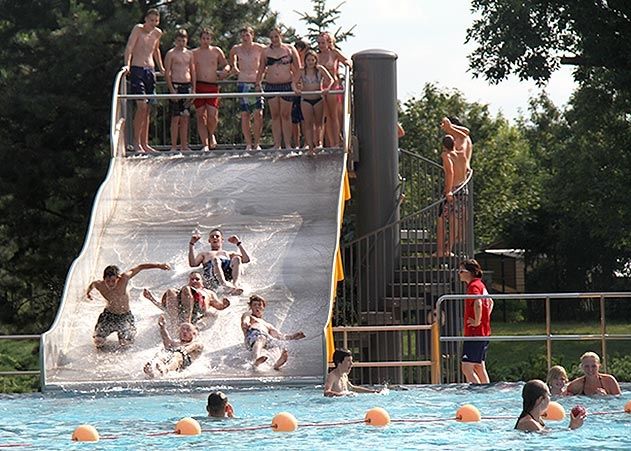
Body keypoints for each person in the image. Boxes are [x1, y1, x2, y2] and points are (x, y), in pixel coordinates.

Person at [86, 262, 171, 349]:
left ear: (118, 278)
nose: (110, 284)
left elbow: (140, 267)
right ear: (104, 279)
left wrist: (158, 265)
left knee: (125, 344)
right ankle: (103, 338)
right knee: (98, 342)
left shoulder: (124, 278)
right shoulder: (99, 285)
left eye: (113, 281)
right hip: (109, 315)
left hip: (125, 316)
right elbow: (92, 285)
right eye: (108, 281)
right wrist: (88, 293)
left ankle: (124, 337)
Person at [123, 8, 165, 153]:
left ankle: (144, 143)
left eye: (156, 21)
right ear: (146, 19)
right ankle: (136, 142)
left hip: (150, 71)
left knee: (147, 109)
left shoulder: (157, 33)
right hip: (137, 68)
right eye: (151, 20)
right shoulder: (138, 29)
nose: (153, 23)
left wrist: (162, 68)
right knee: (141, 105)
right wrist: (127, 64)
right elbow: (129, 47)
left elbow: (156, 50)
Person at [256, 28, 301, 149]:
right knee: (275, 115)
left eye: (276, 36)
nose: (274, 40)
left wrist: (295, 83)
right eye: (272, 37)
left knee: (286, 115)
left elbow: (299, 69)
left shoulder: (290, 49)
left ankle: (287, 144)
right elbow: (261, 68)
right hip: (271, 85)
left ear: (281, 36)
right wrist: (257, 83)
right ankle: (277, 144)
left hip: (286, 84)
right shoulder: (265, 51)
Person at [142, 271, 230, 330]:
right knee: (171, 291)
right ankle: (175, 326)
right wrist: (151, 299)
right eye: (192, 279)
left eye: (197, 279)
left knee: (186, 289)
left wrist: (224, 304)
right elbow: (167, 308)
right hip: (181, 312)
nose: (194, 281)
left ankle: (187, 324)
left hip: (197, 310)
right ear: (188, 281)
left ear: (202, 282)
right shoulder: (182, 293)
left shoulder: (208, 293)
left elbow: (219, 306)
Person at [240, 294, 305, 370]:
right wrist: (245, 322)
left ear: (263, 308)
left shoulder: (268, 325)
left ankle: (275, 364)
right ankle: (255, 360)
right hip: (253, 336)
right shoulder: (250, 316)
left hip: (266, 338)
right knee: (260, 338)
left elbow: (280, 336)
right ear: (250, 307)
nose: (257, 307)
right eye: (254, 305)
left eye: (259, 305)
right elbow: (245, 319)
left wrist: (293, 336)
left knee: (277, 345)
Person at [229, 26, 266, 151]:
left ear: (252, 35)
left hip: (256, 83)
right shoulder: (237, 48)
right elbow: (231, 58)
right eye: (243, 35)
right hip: (243, 82)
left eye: (247, 35)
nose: (245, 38)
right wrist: (234, 67)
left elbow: (269, 57)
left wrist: (264, 73)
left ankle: (257, 143)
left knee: (258, 114)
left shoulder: (259, 47)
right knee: (245, 114)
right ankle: (248, 144)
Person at [193, 28, 230, 151]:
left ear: (211, 39)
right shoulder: (194, 53)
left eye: (208, 38)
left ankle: (211, 134)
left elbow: (226, 64)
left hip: (212, 85)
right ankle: (205, 143)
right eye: (203, 38)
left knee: (212, 115)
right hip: (198, 85)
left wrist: (226, 70)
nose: (205, 41)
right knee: (200, 115)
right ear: (200, 39)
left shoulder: (216, 51)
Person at [458, 259, 493, 384]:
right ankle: (486, 392)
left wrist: (477, 321)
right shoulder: (481, 285)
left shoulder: (473, 286)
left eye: (462, 270)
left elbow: (478, 302)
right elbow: (490, 302)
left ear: (471, 272)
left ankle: (477, 394)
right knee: (479, 366)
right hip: (483, 332)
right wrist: (485, 318)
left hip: (475, 333)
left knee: (467, 368)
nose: (459, 273)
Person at [435, 132, 469, 257]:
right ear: (454, 143)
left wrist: (448, 191)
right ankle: (448, 249)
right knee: (455, 220)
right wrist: (451, 127)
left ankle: (439, 251)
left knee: (441, 219)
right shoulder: (462, 154)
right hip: (463, 190)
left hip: (453, 190)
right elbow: (465, 136)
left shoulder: (446, 155)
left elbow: (450, 172)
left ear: (443, 146)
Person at [293, 50, 333, 155]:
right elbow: (294, 82)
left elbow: (331, 79)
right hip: (306, 99)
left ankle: (319, 143)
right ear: (305, 61)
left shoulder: (320, 69)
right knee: (308, 124)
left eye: (312, 60)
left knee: (319, 123)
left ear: (316, 60)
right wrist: (296, 90)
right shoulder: (302, 71)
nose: (310, 62)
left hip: (318, 98)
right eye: (308, 60)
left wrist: (327, 89)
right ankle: (310, 147)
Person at [188, 228, 251, 295]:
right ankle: (224, 284)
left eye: (217, 236)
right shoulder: (204, 254)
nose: (215, 238)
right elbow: (193, 264)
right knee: (216, 259)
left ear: (222, 240)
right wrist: (191, 244)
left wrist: (238, 243)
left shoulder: (228, 253)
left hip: (227, 273)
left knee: (237, 258)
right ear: (209, 241)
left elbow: (246, 259)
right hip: (212, 275)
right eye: (212, 237)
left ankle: (235, 284)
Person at [316, 31, 351, 148]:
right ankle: (328, 142)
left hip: (333, 86)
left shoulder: (334, 53)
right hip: (321, 87)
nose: (320, 45)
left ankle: (336, 142)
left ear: (328, 42)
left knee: (333, 115)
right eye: (319, 43)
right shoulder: (317, 56)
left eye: (323, 42)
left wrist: (347, 64)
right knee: (323, 116)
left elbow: (347, 60)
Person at [164, 29, 196, 152]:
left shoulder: (189, 54)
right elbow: (167, 72)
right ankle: (173, 146)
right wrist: (171, 89)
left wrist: (193, 89)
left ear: (186, 40)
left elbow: (192, 71)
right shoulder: (171, 53)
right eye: (179, 40)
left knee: (185, 117)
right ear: (175, 41)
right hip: (176, 86)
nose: (181, 43)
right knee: (175, 117)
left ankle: (184, 145)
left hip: (187, 86)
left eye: (183, 40)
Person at [515, 380, 585, 432]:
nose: (550, 399)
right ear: (540, 400)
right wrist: (572, 427)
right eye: (548, 395)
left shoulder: (538, 420)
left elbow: (549, 432)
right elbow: (550, 438)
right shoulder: (528, 422)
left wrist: (572, 426)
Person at [291, 38, 310, 148]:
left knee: (305, 119)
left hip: (306, 92)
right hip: (294, 91)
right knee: (294, 119)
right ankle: (296, 143)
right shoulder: (292, 62)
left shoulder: (309, 61)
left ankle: (307, 142)